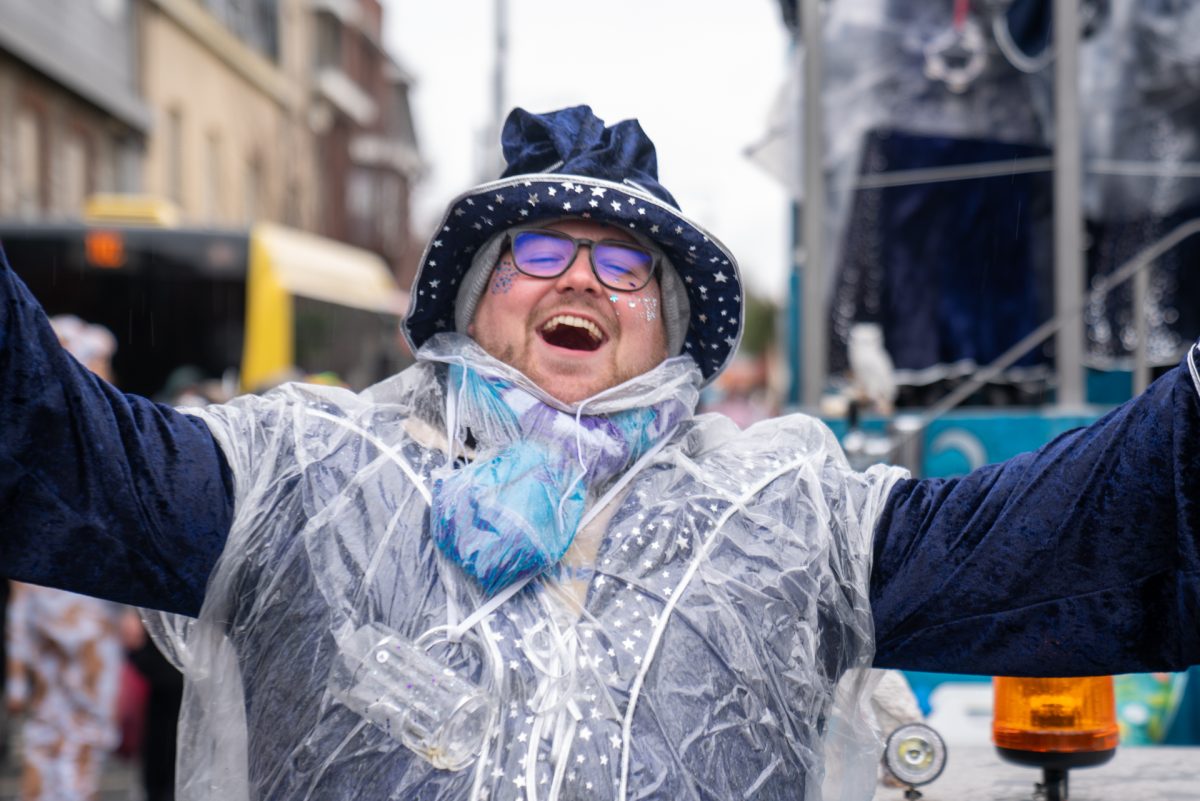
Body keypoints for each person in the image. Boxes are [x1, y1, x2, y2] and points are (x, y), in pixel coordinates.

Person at [0, 105, 1197, 801]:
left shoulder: (788, 515)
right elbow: (52, 448)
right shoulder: (299, 477)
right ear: (471, 302)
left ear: (669, 330)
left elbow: (1078, 535)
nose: (581, 277)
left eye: (627, 267)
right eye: (536, 252)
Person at [5, 317, 125, 801]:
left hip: (38, 595)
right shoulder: (92, 430)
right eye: (101, 362)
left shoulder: (27, 422)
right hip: (81, 602)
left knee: (49, 719)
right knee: (84, 722)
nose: (108, 373)